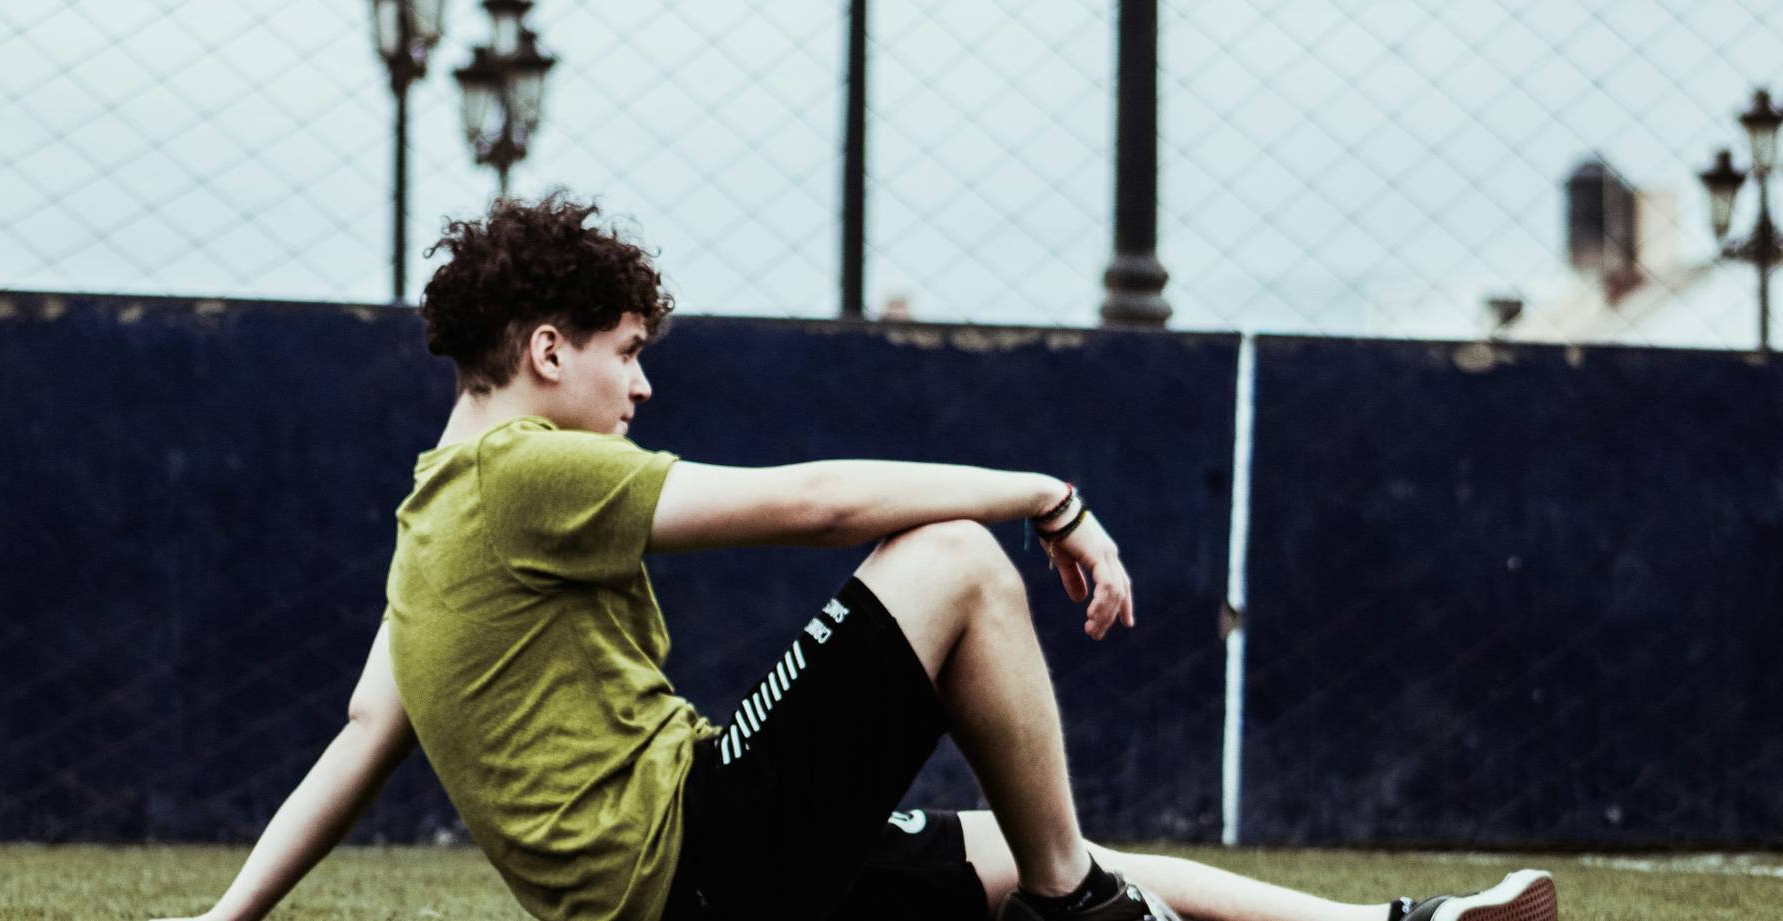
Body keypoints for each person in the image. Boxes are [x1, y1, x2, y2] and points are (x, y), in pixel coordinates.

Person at [154, 193, 1558, 921]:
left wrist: (223, 917)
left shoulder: (431, 520)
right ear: (547, 350)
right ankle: (1077, 910)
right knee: (952, 557)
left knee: (1033, 851)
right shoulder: (524, 472)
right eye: (628, 355)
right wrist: (1049, 494)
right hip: (695, 866)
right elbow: (822, 503)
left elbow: (364, 731)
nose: (641, 385)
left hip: (706, 876)